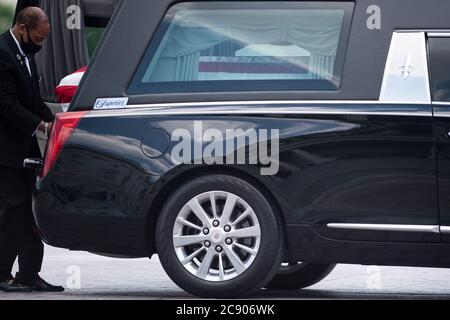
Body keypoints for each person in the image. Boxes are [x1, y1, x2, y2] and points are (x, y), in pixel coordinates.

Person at [0, 7, 64, 292]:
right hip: (5, 150)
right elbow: (7, 104)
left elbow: (34, 101)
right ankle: (1, 274)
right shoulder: (1, 53)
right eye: (37, 40)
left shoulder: (27, 57)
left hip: (24, 150)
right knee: (12, 209)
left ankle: (29, 273)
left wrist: (59, 122)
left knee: (30, 211)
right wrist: (42, 127)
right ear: (23, 28)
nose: (39, 46)